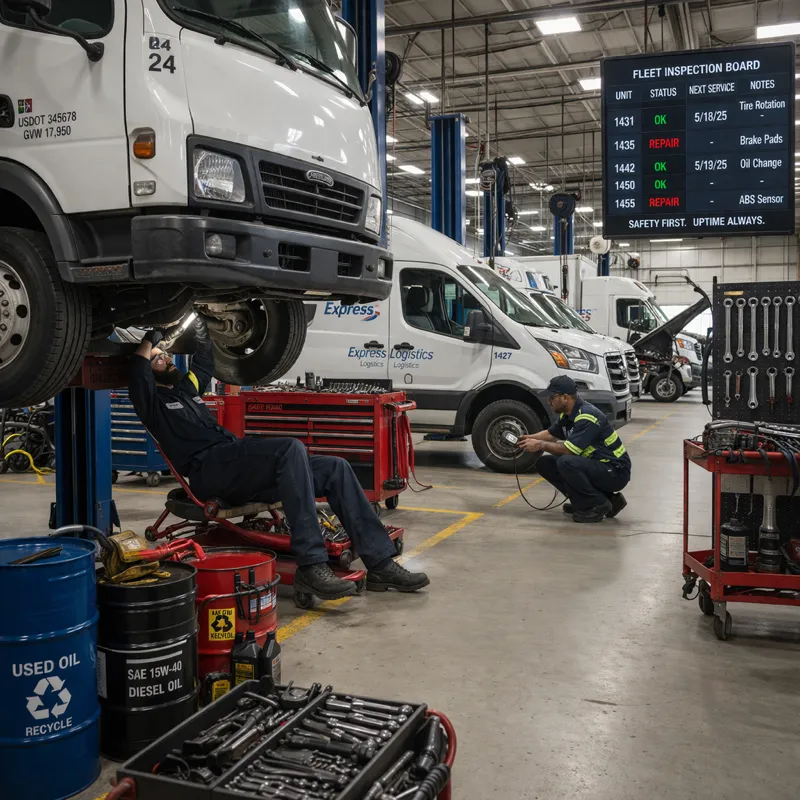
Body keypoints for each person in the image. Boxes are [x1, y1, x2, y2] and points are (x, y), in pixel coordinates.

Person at [129, 318, 429, 600]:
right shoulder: (153, 405)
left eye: (166, 355)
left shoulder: (187, 390)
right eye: (158, 358)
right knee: (289, 449)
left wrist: (203, 332)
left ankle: (380, 562)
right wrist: (150, 338)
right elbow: (137, 373)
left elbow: (204, 362)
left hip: (237, 465)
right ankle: (312, 565)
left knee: (335, 468)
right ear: (148, 371)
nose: (167, 358)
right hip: (210, 472)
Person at [518, 375, 631, 523]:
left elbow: (569, 451)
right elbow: (551, 435)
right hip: (598, 466)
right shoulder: (569, 415)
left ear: (565, 398)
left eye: (552, 397)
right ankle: (590, 502)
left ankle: (598, 505)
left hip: (615, 470)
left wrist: (539, 445)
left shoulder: (587, 416)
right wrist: (525, 439)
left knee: (566, 462)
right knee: (545, 463)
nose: (549, 401)